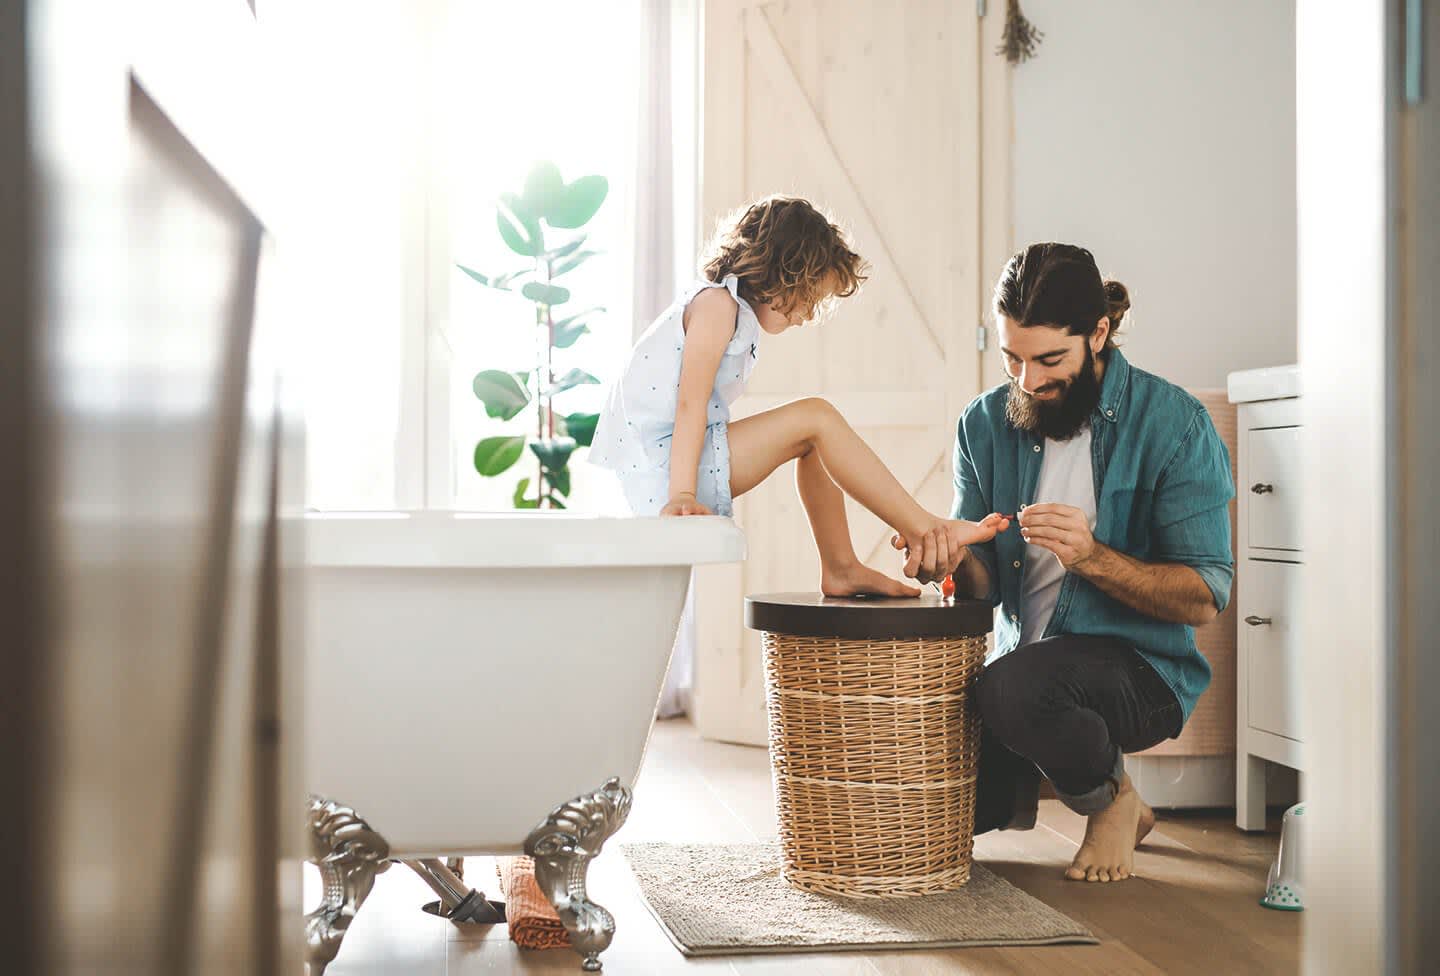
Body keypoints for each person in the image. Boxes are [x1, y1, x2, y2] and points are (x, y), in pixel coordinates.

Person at [897, 242, 1235, 882]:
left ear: (1099, 333)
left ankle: (1112, 801)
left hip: (1141, 671)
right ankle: (1091, 779)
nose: (1028, 380)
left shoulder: (1175, 425)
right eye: (1012, 358)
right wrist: (948, 557)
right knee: (928, 810)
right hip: (1021, 668)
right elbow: (985, 588)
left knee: (1016, 688)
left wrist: (1093, 558)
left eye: (1050, 358)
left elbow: (1204, 595)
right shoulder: (985, 423)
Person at [590, 195, 1009, 601]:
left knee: (816, 444)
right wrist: (681, 495)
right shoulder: (717, 305)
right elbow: (689, 404)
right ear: (782, 272)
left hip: (673, 460)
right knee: (817, 418)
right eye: (809, 297)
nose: (808, 314)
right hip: (666, 470)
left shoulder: (727, 309)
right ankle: (927, 528)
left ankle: (841, 566)